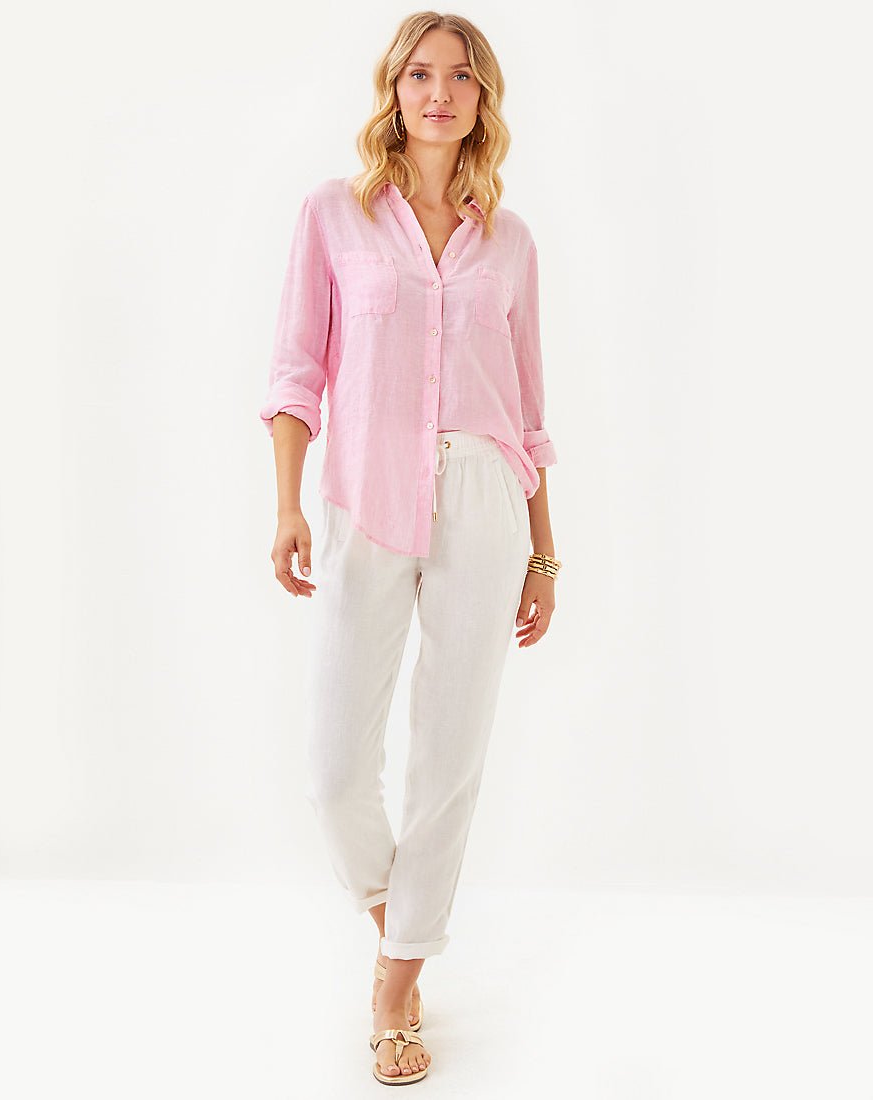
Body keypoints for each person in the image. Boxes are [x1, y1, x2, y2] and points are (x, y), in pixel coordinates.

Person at [259, 12, 561, 1085]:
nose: (440, 93)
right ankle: (405, 919)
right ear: (393, 90)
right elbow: (295, 372)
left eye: (461, 77)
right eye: (421, 74)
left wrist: (544, 552)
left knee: (449, 754)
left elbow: (529, 411)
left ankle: (395, 984)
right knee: (335, 769)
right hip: (363, 493)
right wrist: (287, 505)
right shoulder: (332, 215)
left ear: (483, 98)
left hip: (484, 499)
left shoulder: (510, 240)